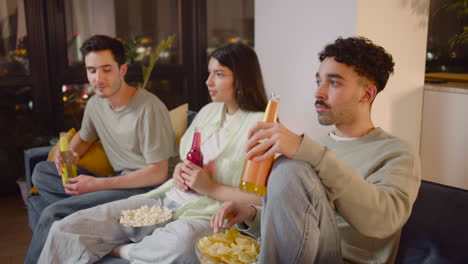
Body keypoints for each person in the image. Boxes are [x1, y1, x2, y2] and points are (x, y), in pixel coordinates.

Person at [38, 42, 269, 263]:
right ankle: (117, 246)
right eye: (209, 73)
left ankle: (124, 250)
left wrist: (211, 188)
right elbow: (185, 161)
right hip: (165, 197)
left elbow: (265, 200)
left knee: (183, 244)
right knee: (67, 228)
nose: (208, 81)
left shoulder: (261, 127)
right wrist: (180, 170)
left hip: (206, 215)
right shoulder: (209, 112)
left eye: (219, 75)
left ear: (241, 79)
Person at [211, 37, 421, 264]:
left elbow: (383, 221)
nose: (318, 93)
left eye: (333, 83)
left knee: (290, 167)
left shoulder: (396, 152)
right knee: (286, 166)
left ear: (367, 95)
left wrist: (308, 151)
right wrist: (252, 215)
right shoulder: (317, 148)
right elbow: (302, 229)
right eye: (318, 81)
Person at [25, 35, 177, 263]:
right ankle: (86, 211)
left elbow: (157, 173)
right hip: (116, 182)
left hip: (147, 190)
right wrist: (66, 155)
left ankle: (78, 212)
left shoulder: (149, 108)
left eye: (106, 70)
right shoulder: (96, 104)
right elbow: (84, 139)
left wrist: (97, 185)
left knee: (52, 214)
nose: (98, 78)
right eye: (92, 70)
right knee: (42, 172)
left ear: (122, 69)